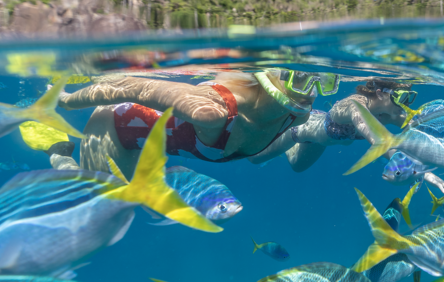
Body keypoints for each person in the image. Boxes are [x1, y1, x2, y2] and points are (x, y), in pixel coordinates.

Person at [54, 69, 338, 179]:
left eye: (325, 81)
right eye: (300, 77)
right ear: (272, 75)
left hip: (158, 141)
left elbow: (263, 156)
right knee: (105, 201)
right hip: (115, 125)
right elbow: (131, 87)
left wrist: (328, 133)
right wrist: (65, 101)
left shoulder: (295, 115)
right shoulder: (213, 111)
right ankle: (57, 153)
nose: (311, 91)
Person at [250, 78, 414, 172]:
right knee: (254, 157)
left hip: (319, 141)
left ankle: (279, 123)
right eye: (402, 97)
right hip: (301, 129)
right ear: (380, 93)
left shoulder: (389, 115)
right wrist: (405, 163)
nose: (405, 103)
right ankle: (271, 118)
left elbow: (420, 127)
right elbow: (375, 136)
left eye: (410, 97)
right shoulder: (354, 105)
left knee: (297, 166)